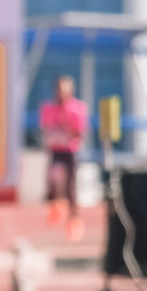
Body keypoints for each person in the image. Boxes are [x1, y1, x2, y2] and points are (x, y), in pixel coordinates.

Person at [40, 75, 89, 241]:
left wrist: (66, 122)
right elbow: (46, 129)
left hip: (71, 151)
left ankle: (74, 221)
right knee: (53, 179)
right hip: (56, 150)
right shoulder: (48, 108)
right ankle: (56, 205)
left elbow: (80, 132)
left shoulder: (77, 108)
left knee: (71, 188)